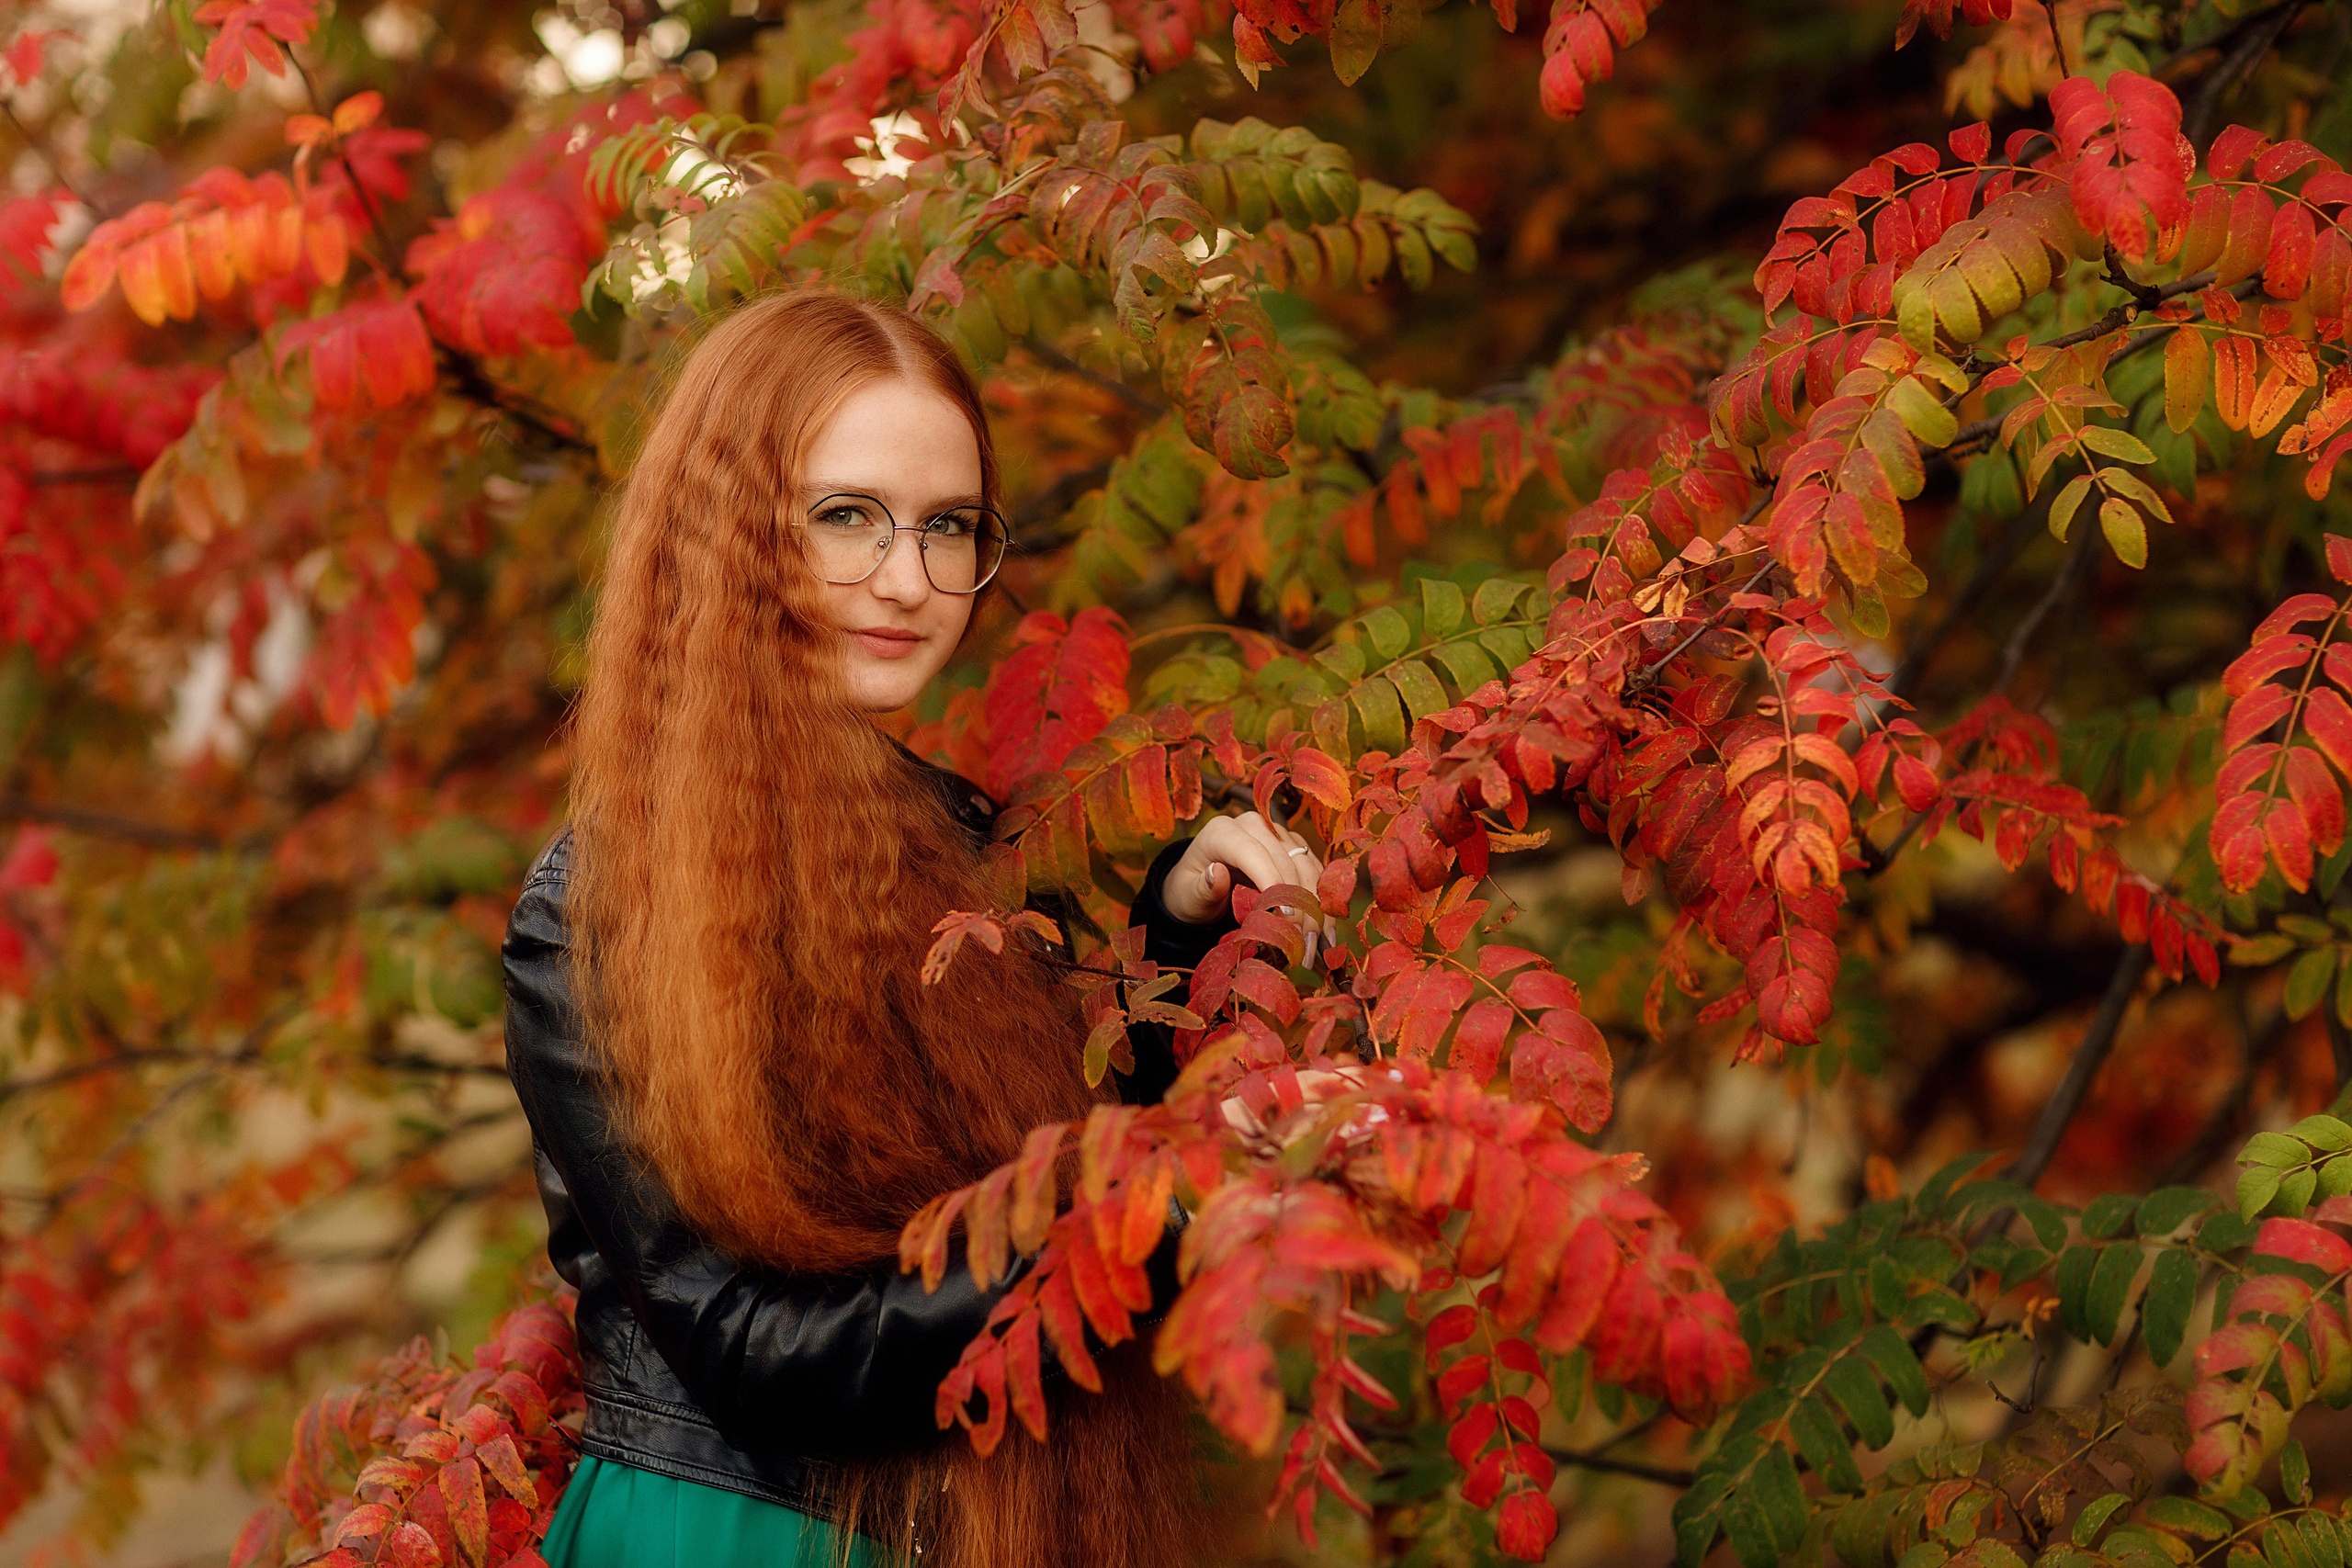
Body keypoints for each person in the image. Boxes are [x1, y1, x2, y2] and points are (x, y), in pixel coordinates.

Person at [501, 291, 1328, 1568]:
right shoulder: (602, 908)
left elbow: (1046, 1195)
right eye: (846, 518)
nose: (912, 582)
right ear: (725, 538)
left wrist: (1180, 947)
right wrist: (1160, 1202)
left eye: (950, 527)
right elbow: (756, 1359)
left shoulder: (957, 837)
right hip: (738, 1536)